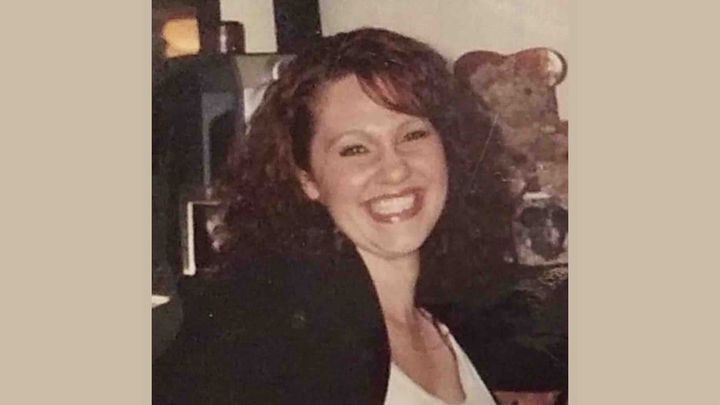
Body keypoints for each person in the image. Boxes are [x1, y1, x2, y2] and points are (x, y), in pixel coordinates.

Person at [153, 27, 519, 405]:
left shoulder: (446, 324)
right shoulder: (280, 342)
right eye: (355, 149)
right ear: (307, 179)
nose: (395, 170)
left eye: (413, 135)